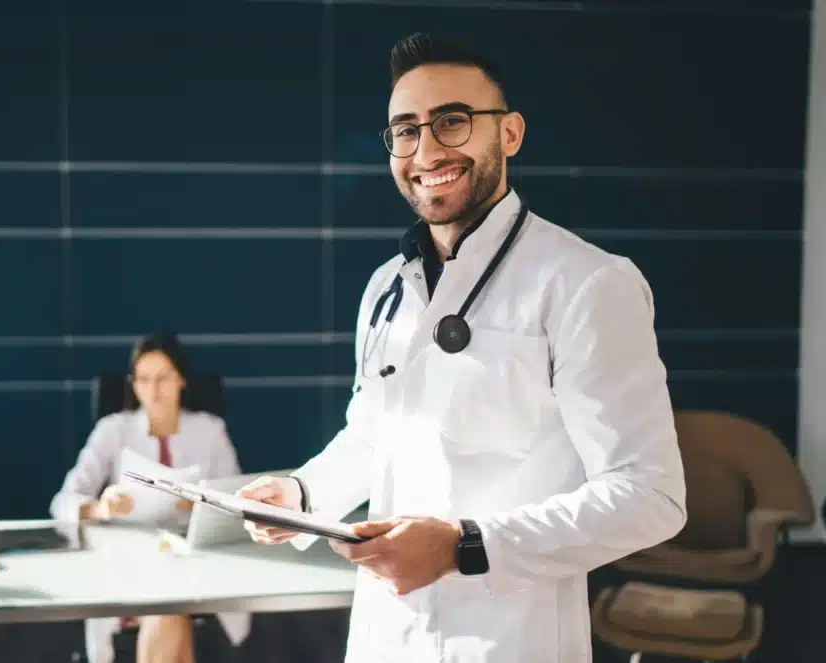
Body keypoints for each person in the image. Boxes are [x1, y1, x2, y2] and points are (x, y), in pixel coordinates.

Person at [238, 33, 687, 662]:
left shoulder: (587, 283)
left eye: (452, 122)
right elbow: (372, 438)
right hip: (385, 636)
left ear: (509, 134)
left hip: (510, 641)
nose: (426, 150)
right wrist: (302, 495)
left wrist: (464, 546)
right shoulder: (386, 288)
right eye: (405, 131)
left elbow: (650, 497)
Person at [50, 331, 248, 663]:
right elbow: (62, 502)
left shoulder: (210, 430)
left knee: (169, 605)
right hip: (129, 562)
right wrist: (100, 507)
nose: (152, 391)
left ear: (181, 380)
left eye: (162, 379)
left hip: (196, 561)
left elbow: (236, 503)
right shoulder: (113, 429)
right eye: (143, 380)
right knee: (170, 608)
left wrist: (202, 503)